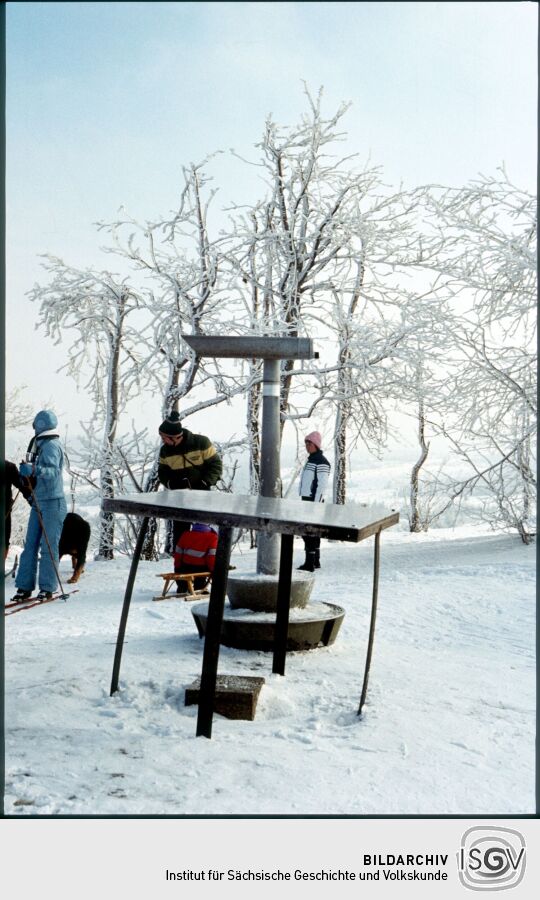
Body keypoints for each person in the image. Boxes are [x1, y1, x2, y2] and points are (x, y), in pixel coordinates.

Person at [12, 410, 67, 601]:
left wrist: (35, 469)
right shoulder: (39, 443)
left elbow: (53, 472)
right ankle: (24, 586)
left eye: (35, 422)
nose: (33, 425)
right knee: (30, 545)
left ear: (41, 424)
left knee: (48, 546)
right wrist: (26, 473)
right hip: (39, 501)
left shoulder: (51, 445)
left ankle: (47, 587)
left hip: (53, 502)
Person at [157, 411, 223, 551]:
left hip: (202, 494)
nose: (162, 440)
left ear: (174, 437)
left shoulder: (201, 443)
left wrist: (205, 483)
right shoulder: (165, 451)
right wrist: (171, 484)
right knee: (180, 532)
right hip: (179, 496)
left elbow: (216, 466)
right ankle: (180, 560)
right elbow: (162, 473)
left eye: (164, 437)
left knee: (204, 528)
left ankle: (205, 557)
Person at [297, 430, 331, 572]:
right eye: (305, 443)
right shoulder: (311, 460)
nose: (307, 446)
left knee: (309, 532)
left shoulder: (322, 462)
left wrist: (316, 504)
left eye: (309, 443)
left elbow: (321, 486)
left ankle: (310, 562)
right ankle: (314, 561)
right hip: (306, 500)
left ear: (315, 444)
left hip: (313, 502)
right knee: (310, 532)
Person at [173, 522, 218, 593]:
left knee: (182, 567)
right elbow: (211, 557)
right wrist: (214, 570)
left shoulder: (186, 534)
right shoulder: (212, 537)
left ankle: (182, 586)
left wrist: (177, 566)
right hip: (200, 568)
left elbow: (178, 552)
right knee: (204, 568)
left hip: (185, 567)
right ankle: (199, 587)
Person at [3, 459, 31, 560]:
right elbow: (23, 486)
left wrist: (31, 499)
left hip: (4, 512)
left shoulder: (9, 467)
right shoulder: (9, 467)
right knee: (4, 540)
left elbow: (23, 486)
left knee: (4, 540)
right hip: (5, 511)